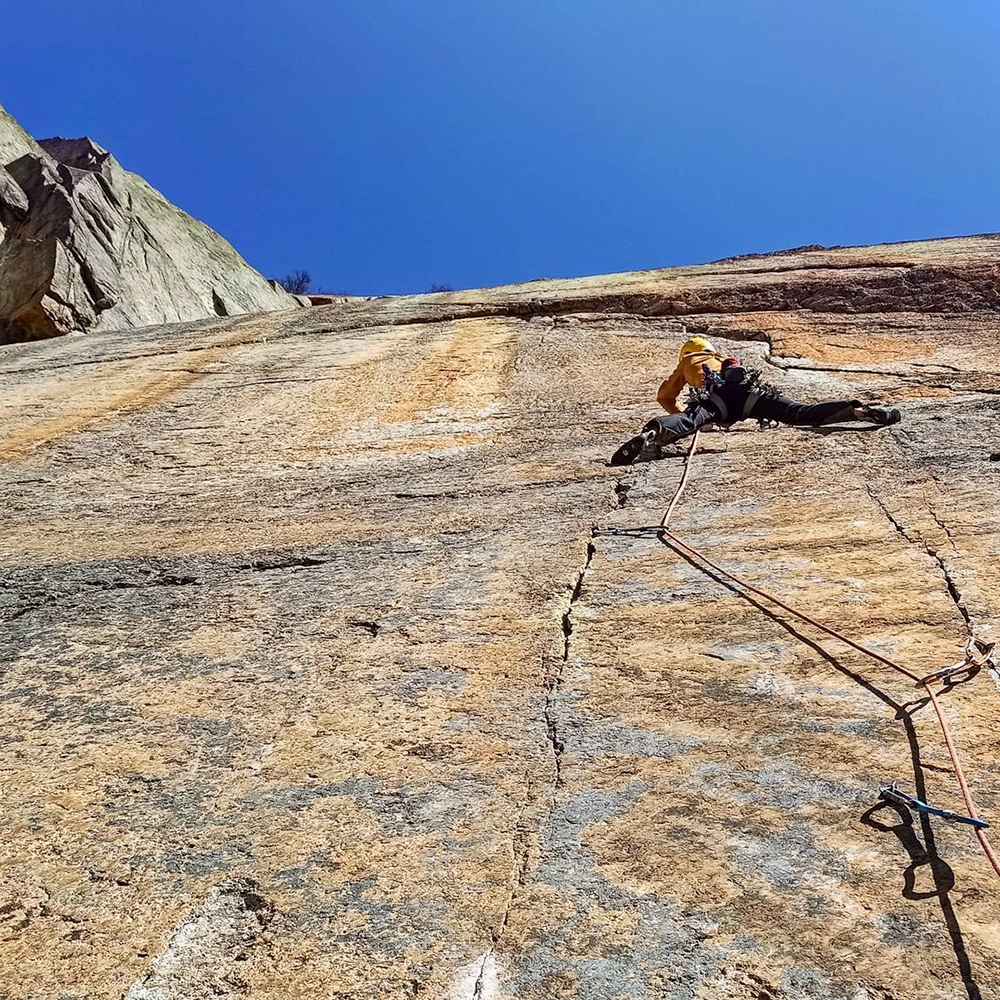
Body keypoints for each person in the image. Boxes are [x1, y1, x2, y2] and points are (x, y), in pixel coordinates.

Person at [610, 336, 901, 466]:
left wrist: (687, 412)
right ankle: (857, 411)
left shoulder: (688, 361)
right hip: (752, 395)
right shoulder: (721, 358)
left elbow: (665, 396)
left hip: (719, 401)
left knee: (689, 420)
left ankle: (652, 433)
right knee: (800, 413)